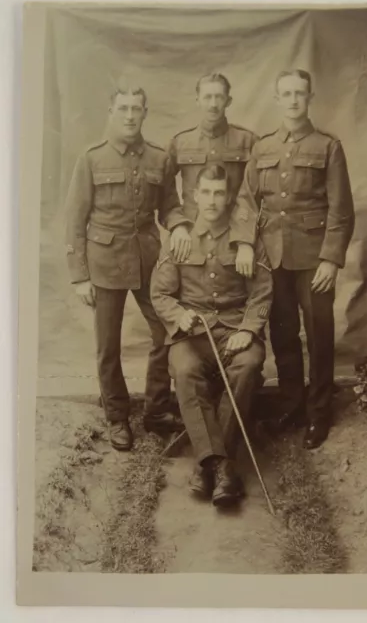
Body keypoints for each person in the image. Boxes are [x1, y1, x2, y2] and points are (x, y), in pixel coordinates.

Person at [65, 74, 192, 451]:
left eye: (137, 109)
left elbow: (170, 205)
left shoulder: (158, 157)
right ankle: (117, 416)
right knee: (108, 344)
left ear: (145, 113)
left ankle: (156, 410)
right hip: (103, 260)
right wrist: (79, 277)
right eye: (123, 108)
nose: (130, 115)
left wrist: (180, 226)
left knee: (165, 333)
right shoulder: (91, 158)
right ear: (111, 111)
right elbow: (75, 219)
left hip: (149, 258)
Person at [234, 69, 355, 449]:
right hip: (273, 258)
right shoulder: (263, 147)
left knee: (318, 335)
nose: (292, 100)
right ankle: (292, 404)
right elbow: (245, 200)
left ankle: (319, 413)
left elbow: (341, 210)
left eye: (299, 93)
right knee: (283, 335)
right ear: (276, 99)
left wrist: (331, 261)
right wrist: (245, 243)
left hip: (313, 259)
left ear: (310, 97)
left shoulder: (328, 147)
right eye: (285, 93)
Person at [150, 164, 273, 507]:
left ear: (230, 197)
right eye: (205, 192)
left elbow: (262, 292)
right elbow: (160, 294)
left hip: (234, 329)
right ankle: (221, 467)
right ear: (194, 195)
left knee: (248, 365)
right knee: (186, 370)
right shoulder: (181, 238)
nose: (212, 200)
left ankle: (211, 466)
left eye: (219, 193)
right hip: (192, 333)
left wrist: (249, 330)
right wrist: (180, 315)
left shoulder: (246, 240)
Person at [167, 72, 259, 278]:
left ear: (228, 101)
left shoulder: (247, 141)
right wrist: (177, 225)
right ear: (197, 100)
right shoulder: (181, 143)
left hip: (234, 234)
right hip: (192, 236)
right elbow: (163, 191)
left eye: (219, 97)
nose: (213, 104)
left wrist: (245, 240)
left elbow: (255, 195)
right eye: (207, 97)